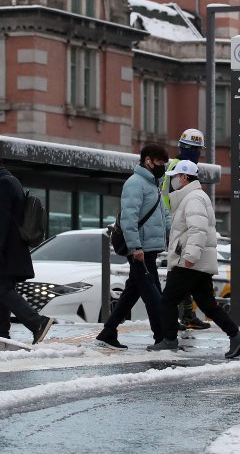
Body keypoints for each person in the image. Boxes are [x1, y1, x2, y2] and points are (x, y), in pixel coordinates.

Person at [147, 161, 240, 359]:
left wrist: (189, 257)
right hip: (197, 262)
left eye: (175, 177)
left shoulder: (193, 198)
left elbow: (198, 229)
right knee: (207, 303)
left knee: (167, 299)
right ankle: (236, 336)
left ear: (184, 177)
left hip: (191, 261)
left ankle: (169, 341)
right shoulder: (193, 197)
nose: (173, 181)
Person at [0, 149, 55, 343]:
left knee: (1, 289)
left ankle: (37, 323)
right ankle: (1, 334)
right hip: (8, 249)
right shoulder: (8, 181)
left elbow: (2, 218)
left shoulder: (3, 183)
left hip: (4, 250)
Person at [95, 144, 171, 349]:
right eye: (160, 163)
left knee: (132, 293)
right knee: (153, 295)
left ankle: (108, 331)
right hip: (140, 251)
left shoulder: (153, 184)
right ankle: (161, 337)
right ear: (148, 160)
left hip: (149, 249)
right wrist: (135, 247)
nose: (162, 167)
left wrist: (172, 238)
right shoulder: (135, 183)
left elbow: (164, 216)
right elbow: (129, 218)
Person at [160, 127, 211, 331]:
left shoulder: (177, 166)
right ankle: (177, 316)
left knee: (180, 273)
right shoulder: (179, 168)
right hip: (175, 226)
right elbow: (177, 199)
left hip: (175, 225)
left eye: (198, 150)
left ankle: (186, 314)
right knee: (178, 273)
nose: (196, 154)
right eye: (194, 149)